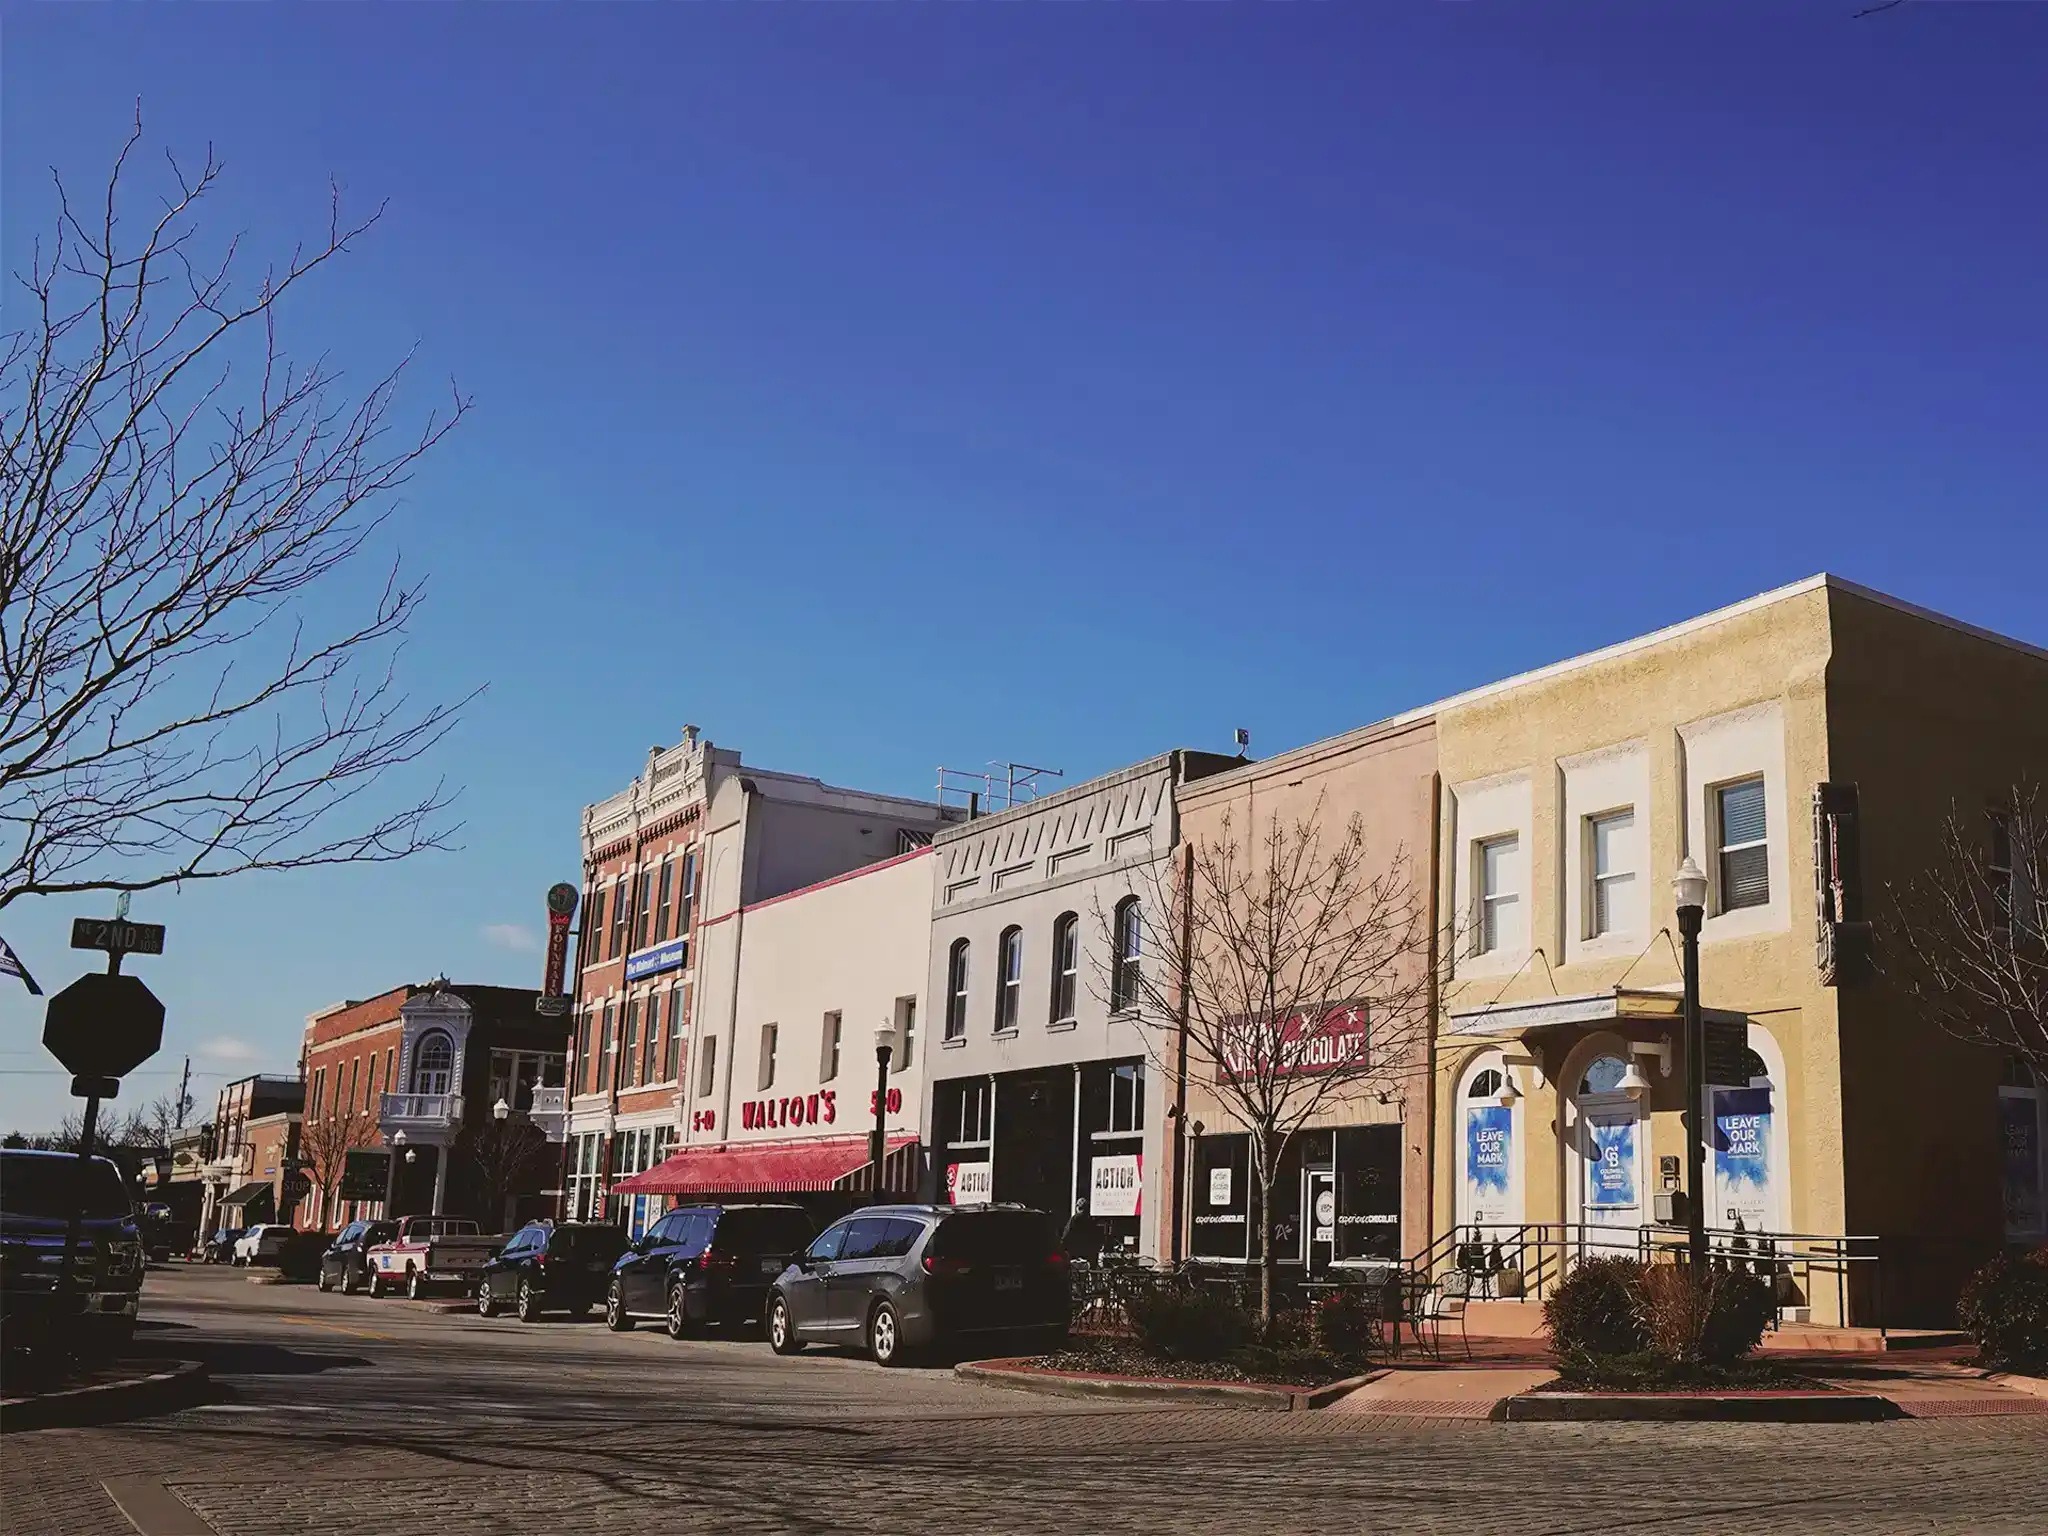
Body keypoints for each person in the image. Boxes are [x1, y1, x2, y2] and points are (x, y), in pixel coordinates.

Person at [1062, 1197, 1104, 1265]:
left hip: (1076, 1252)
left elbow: (1067, 1233)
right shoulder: (1091, 1220)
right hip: (1089, 1252)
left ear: (1077, 1207)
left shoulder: (1075, 1218)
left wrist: (1062, 1246)